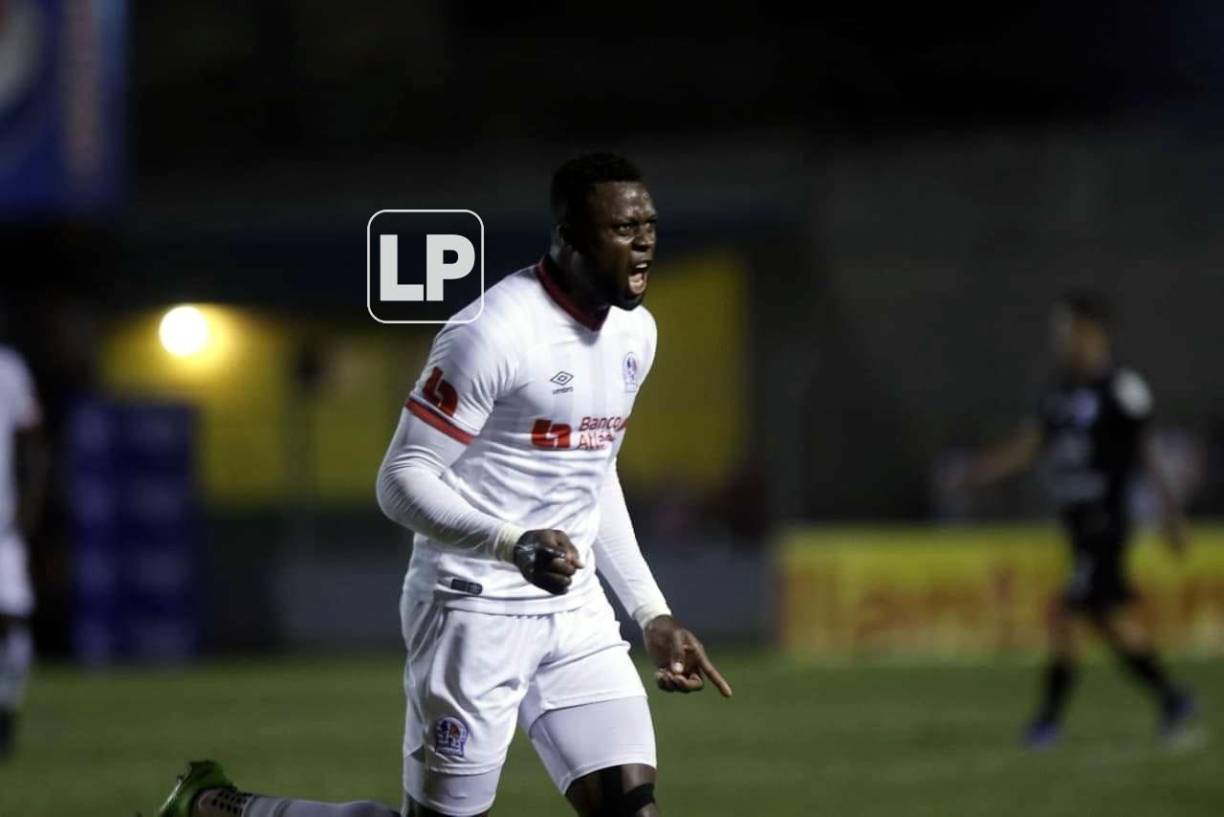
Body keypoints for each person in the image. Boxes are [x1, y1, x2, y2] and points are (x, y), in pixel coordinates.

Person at [157, 153, 731, 817]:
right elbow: (400, 480)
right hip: (471, 606)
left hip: (575, 613)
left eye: (649, 225)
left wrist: (651, 613)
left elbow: (592, 475)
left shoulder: (636, 333)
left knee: (632, 808)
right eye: (623, 228)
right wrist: (512, 542)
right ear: (569, 237)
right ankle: (223, 809)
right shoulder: (493, 333)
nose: (645, 241)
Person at [955, 292, 1194, 748]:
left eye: (1066, 331)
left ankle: (1047, 721)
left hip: (1107, 520)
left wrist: (1171, 513)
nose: (1060, 340)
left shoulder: (1122, 388)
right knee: (1107, 620)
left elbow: (1148, 451)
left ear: (1093, 333)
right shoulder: (1058, 390)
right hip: (1077, 521)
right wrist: (983, 471)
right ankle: (1171, 698)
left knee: (1068, 616)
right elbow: (1031, 445)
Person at [0, 342, 48, 758]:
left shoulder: (8, 367)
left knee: (13, 619)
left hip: (2, 526)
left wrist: (29, 507)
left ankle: (6, 711)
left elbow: (32, 441)